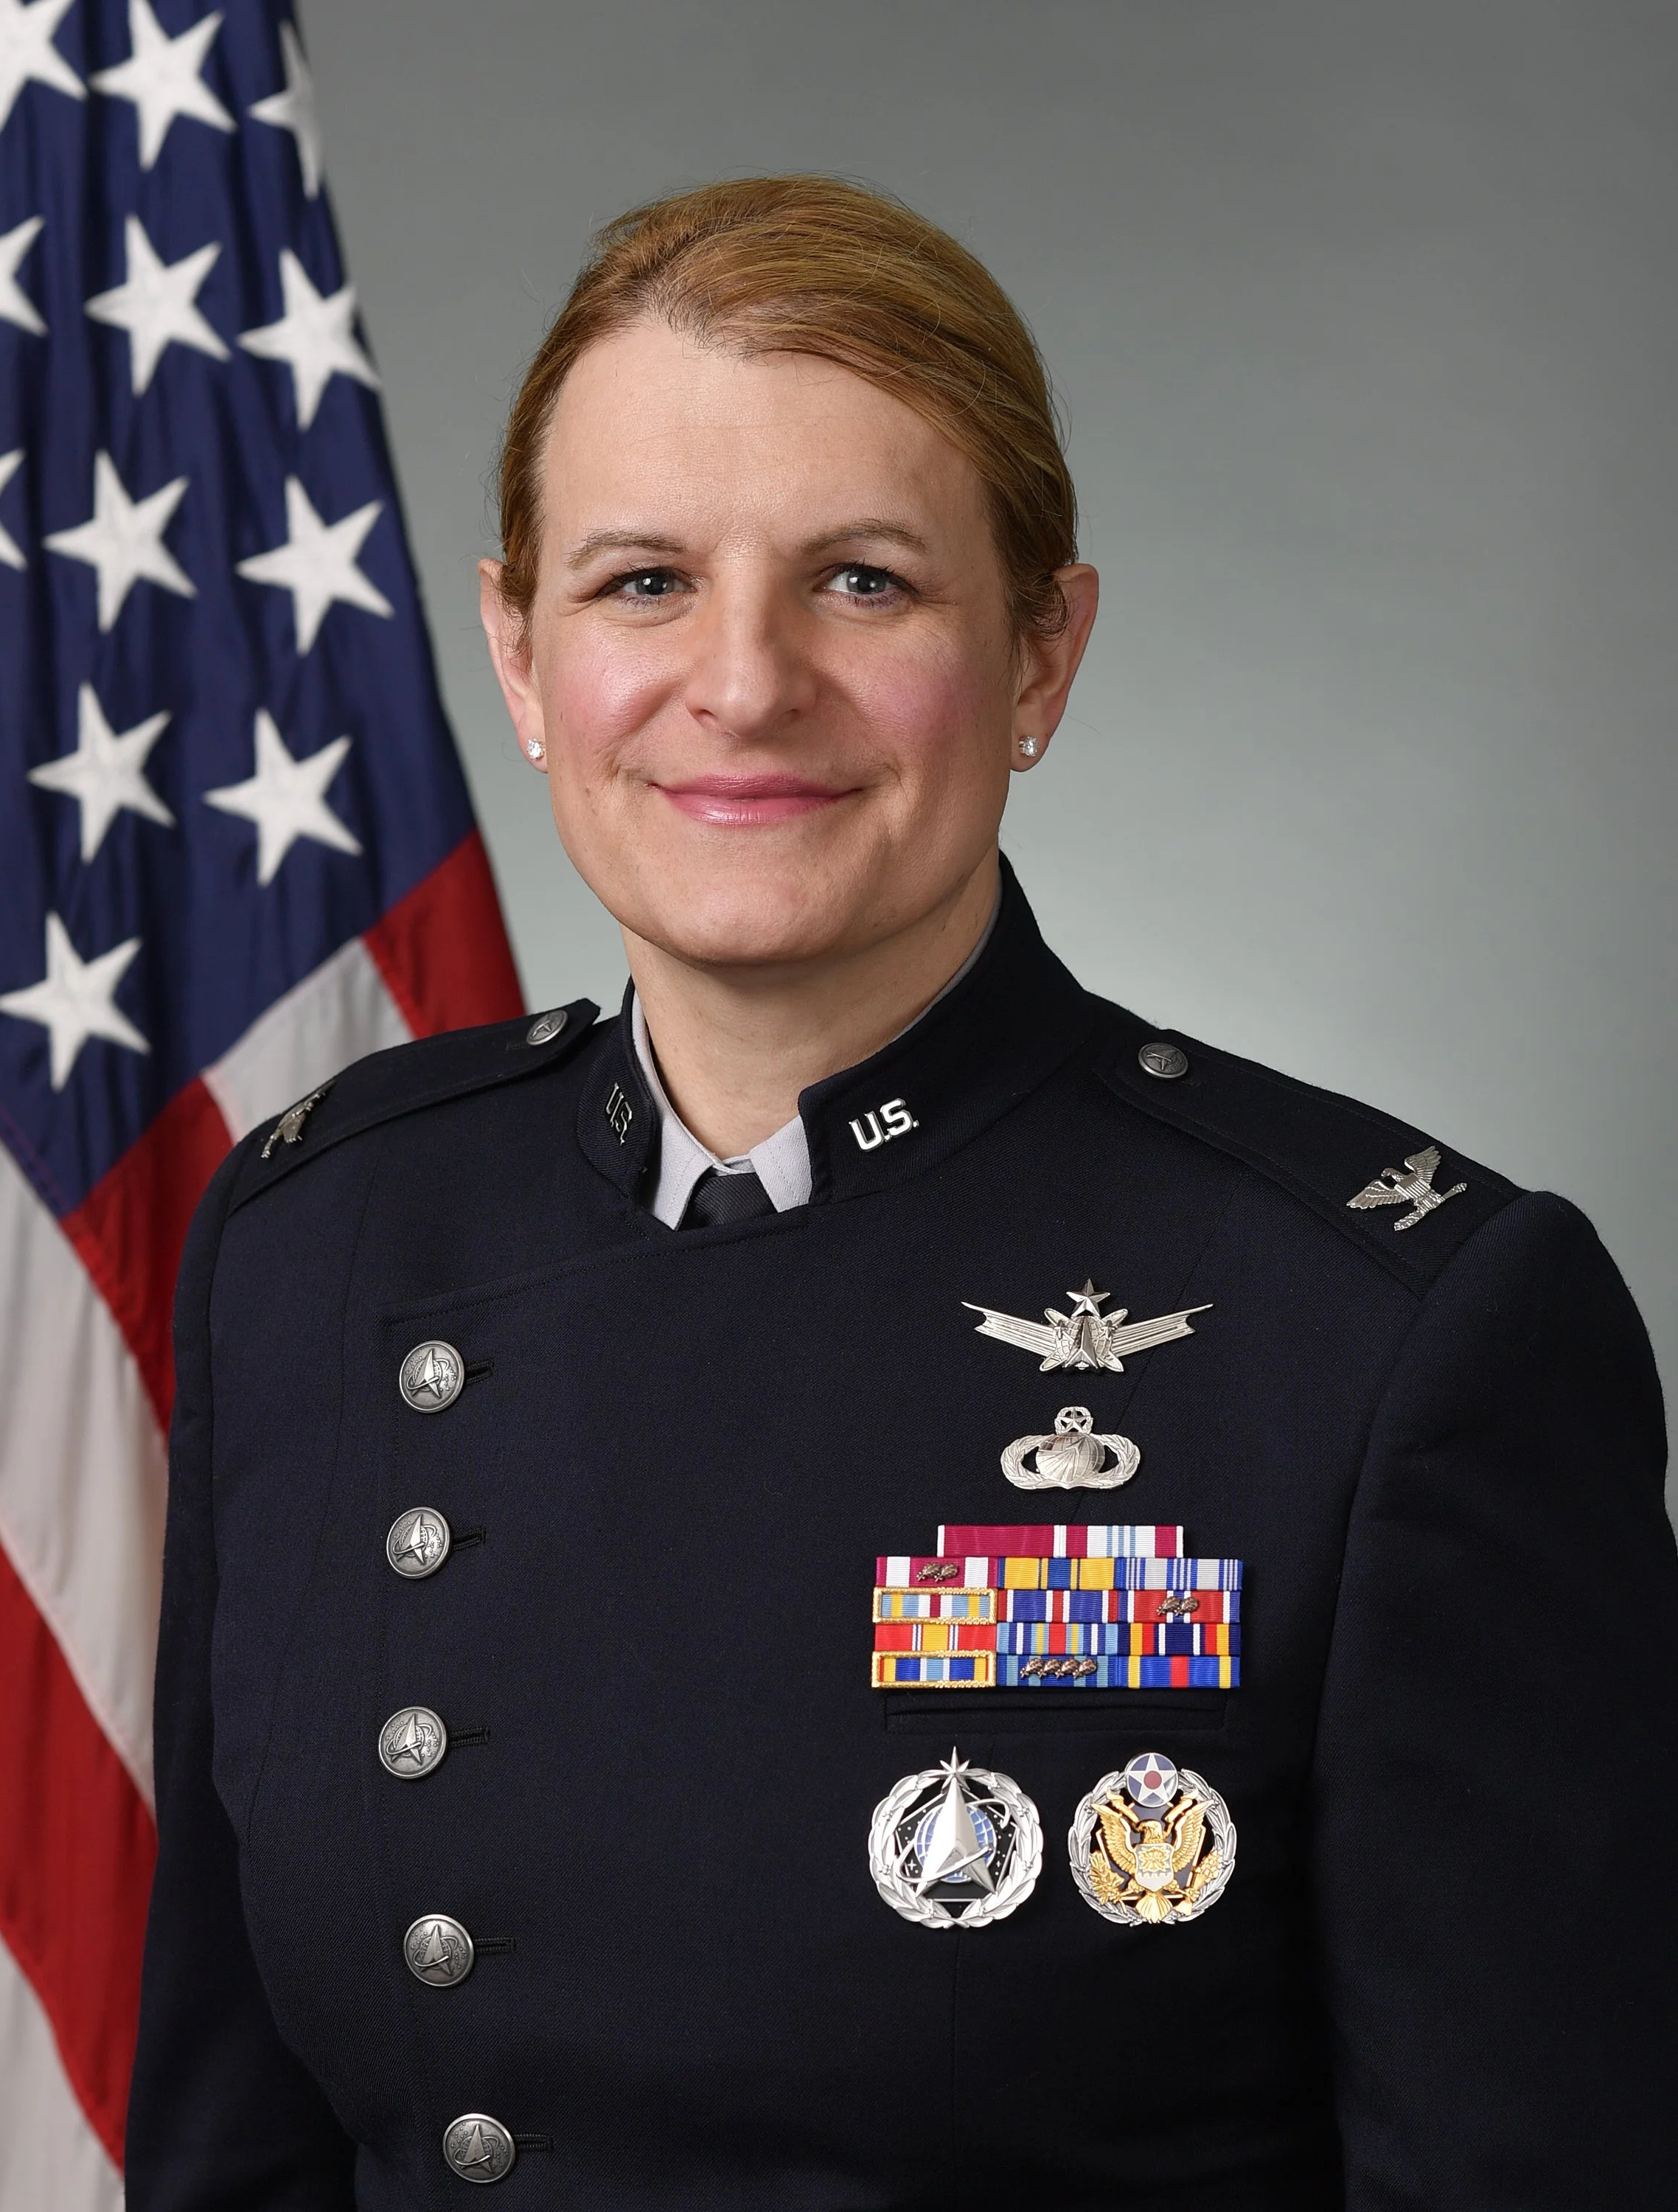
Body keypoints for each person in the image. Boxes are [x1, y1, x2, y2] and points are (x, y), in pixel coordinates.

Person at [125, 176, 1676, 2210]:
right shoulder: (322, 1244)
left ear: (1044, 650)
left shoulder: (1393, 1332)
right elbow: (232, 2156)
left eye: (862, 581)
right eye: (642, 584)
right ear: (518, 653)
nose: (745, 682)